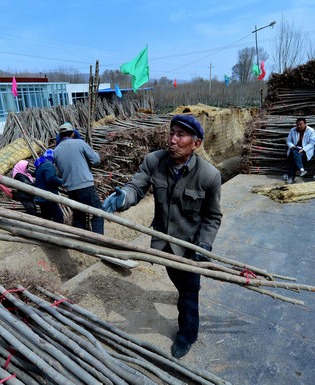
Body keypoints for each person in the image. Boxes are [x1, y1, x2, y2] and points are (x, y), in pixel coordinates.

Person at [102, 114, 222, 359]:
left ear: (196, 144)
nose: (173, 140)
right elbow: (136, 187)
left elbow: (212, 217)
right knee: (181, 284)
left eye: (181, 135)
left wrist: (204, 245)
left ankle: (187, 335)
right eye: (172, 133)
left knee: (189, 292)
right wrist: (122, 197)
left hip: (189, 247)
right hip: (162, 244)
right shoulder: (154, 161)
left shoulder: (209, 176)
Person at [54, 122, 104, 234]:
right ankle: (99, 241)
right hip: (85, 185)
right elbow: (96, 160)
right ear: (72, 134)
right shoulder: (79, 143)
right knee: (98, 213)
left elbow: (59, 172)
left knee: (79, 215)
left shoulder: (56, 151)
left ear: (61, 136)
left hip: (71, 189)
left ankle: (82, 241)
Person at [34, 149, 64, 223]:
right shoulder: (48, 165)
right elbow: (50, 180)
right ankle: (59, 233)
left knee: (46, 217)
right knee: (58, 216)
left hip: (41, 196)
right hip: (47, 197)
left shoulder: (41, 164)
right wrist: (62, 181)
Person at [284, 117, 315, 184]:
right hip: (295, 149)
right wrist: (292, 146)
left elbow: (312, 143)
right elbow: (288, 141)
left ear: (305, 124)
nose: (299, 126)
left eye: (300, 124)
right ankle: (301, 169)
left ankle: (291, 177)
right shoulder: (293, 130)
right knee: (294, 153)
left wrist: (303, 150)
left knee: (294, 155)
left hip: (305, 151)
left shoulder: (311, 131)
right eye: (297, 124)